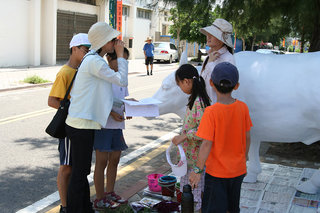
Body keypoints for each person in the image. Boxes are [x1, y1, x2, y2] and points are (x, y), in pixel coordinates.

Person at [65, 22, 128, 213]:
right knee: (79, 173)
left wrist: (126, 105)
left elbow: (104, 94)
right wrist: (119, 55)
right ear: (103, 41)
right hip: (80, 125)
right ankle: (76, 209)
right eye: (112, 40)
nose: (115, 43)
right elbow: (121, 80)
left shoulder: (93, 59)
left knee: (82, 171)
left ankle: (84, 207)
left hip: (83, 124)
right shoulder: (95, 61)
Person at [189, 62, 252, 213]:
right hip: (238, 170)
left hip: (217, 174)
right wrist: (244, 158)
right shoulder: (243, 107)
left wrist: (197, 170)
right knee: (232, 207)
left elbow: (206, 144)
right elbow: (247, 136)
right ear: (236, 86)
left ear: (211, 83)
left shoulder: (211, 112)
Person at [47, 33, 90, 213]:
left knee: (75, 168)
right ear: (74, 49)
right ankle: (64, 206)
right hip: (68, 127)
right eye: (85, 49)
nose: (87, 53)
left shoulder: (81, 70)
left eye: (89, 50)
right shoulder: (65, 72)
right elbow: (52, 101)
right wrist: (74, 112)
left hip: (78, 126)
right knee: (66, 167)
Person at [93, 48, 131, 210]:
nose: (123, 63)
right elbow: (97, 100)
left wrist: (131, 107)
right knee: (101, 162)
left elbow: (122, 99)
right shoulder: (103, 76)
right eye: (120, 59)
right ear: (109, 58)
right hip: (103, 125)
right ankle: (100, 198)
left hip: (117, 126)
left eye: (125, 60)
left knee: (115, 159)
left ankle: (110, 192)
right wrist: (111, 114)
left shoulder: (121, 77)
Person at [172, 64, 211, 211]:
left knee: (193, 197)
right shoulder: (195, 99)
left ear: (187, 81)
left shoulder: (198, 101)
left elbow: (204, 130)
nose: (180, 87)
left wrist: (184, 137)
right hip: (190, 158)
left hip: (196, 160)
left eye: (179, 83)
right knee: (189, 194)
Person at [199, 18, 236, 105]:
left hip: (219, 110)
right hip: (205, 108)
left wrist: (211, 63)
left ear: (221, 40)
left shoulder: (228, 59)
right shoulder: (209, 57)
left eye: (212, 34)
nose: (208, 37)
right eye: (208, 34)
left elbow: (222, 86)